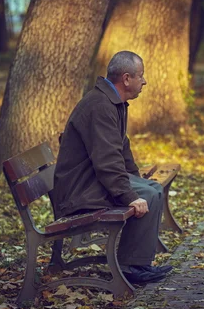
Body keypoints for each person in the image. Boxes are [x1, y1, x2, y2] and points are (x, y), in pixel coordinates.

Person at [51, 51, 172, 284]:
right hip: (78, 191)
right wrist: (130, 194)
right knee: (148, 194)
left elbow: (121, 147)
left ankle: (138, 263)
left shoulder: (113, 102)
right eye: (141, 76)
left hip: (91, 180)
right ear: (126, 79)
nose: (144, 81)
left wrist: (136, 179)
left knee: (153, 190)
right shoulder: (100, 106)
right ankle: (129, 268)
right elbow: (106, 159)